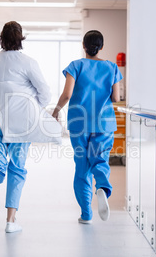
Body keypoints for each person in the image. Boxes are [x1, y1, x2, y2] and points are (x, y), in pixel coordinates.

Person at [0, 21, 53, 233]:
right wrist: (33, 106)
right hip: (20, 117)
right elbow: (45, 93)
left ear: (1, 39)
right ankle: (10, 221)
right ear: (20, 38)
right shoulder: (29, 62)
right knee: (17, 166)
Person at [52, 30, 123, 224]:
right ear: (101, 47)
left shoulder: (75, 66)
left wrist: (56, 111)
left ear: (84, 46)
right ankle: (102, 187)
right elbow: (116, 98)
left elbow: (67, 94)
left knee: (82, 167)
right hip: (104, 123)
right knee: (100, 160)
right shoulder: (112, 67)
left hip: (79, 123)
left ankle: (86, 214)